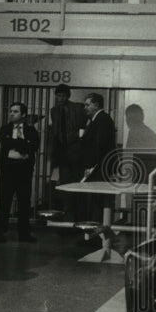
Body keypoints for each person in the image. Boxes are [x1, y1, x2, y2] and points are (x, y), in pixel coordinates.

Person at [0, 101, 40, 243]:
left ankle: (24, 233)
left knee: (24, 203)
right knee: (4, 201)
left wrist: (18, 144)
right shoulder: (4, 129)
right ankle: (0, 232)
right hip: (8, 169)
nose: (11, 114)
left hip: (24, 170)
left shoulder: (32, 130)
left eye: (15, 111)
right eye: (11, 111)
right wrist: (23, 143)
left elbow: (33, 147)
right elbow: (6, 143)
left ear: (23, 114)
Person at [47, 84, 87, 220]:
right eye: (58, 95)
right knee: (65, 188)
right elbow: (56, 133)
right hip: (63, 154)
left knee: (77, 187)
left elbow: (84, 127)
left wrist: (75, 137)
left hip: (77, 153)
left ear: (68, 96)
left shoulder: (78, 108)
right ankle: (68, 220)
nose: (60, 98)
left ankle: (78, 219)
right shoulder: (54, 111)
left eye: (63, 96)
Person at [122, 103, 156, 227]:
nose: (128, 121)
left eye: (129, 118)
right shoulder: (149, 132)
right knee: (146, 205)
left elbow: (128, 152)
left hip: (141, 174)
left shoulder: (134, 131)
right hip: (148, 174)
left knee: (140, 204)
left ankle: (138, 228)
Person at [79, 92, 116, 220]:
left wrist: (90, 167)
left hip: (98, 168)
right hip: (99, 167)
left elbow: (98, 147)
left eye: (88, 105)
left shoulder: (102, 120)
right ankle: (93, 234)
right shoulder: (99, 120)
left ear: (96, 105)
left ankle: (93, 235)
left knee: (96, 202)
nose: (85, 108)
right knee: (95, 201)